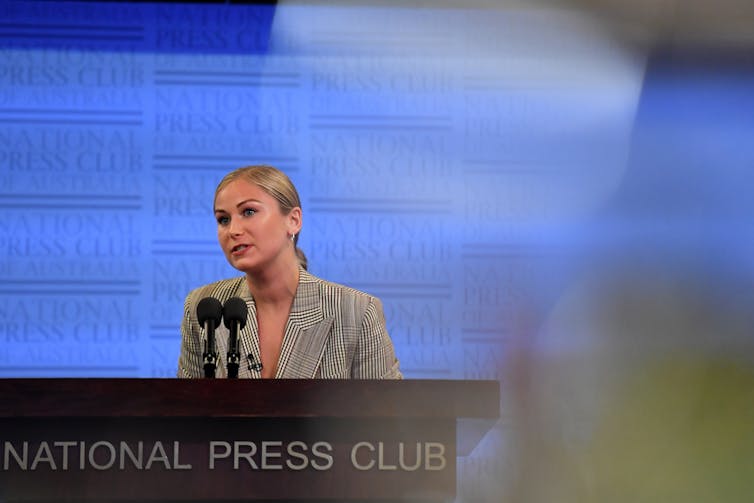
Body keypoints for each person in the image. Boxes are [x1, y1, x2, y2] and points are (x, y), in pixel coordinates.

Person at [177, 165, 402, 379]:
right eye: (223, 219)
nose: (233, 230)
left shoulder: (356, 311)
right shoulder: (205, 309)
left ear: (293, 220)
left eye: (249, 211)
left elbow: (388, 413)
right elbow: (184, 411)